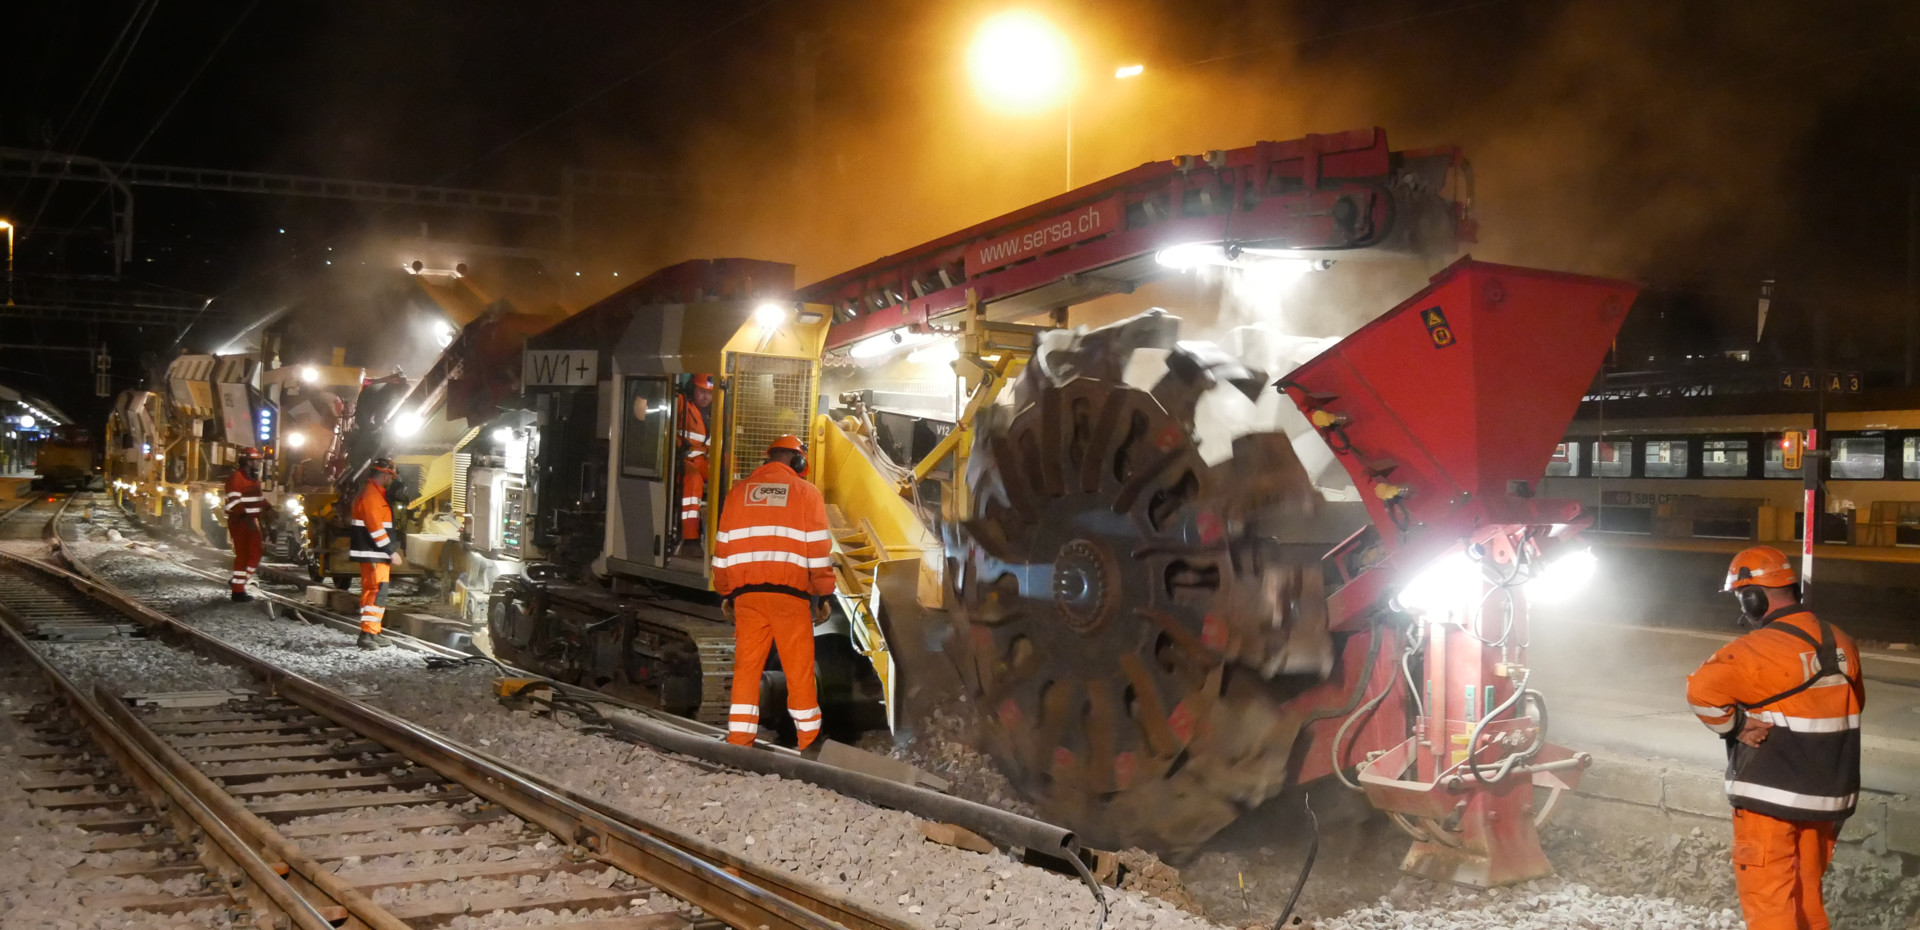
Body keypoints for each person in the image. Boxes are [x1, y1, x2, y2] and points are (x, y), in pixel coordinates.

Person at [1686, 545, 1864, 930]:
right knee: (1806, 898)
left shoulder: (1754, 651)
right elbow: (1852, 704)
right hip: (1828, 797)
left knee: (1770, 904)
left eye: (1740, 597)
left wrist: (1736, 726)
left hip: (1772, 797)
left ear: (1753, 597)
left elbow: (1700, 693)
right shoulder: (1843, 642)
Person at [710, 434, 834, 749]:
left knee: (747, 669)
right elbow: (819, 552)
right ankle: (809, 742)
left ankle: (739, 740)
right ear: (799, 462)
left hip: (747, 597)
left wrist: (726, 592)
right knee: (799, 670)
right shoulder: (807, 494)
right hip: (790, 598)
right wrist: (825, 594)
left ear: (768, 459)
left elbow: (722, 549)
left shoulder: (737, 494)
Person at [347, 458, 405, 649]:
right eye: (390, 475)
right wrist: (390, 551)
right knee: (377, 591)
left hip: (372, 552)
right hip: (374, 552)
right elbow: (376, 528)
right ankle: (367, 635)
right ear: (383, 474)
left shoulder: (374, 493)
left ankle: (373, 630)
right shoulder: (372, 495)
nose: (391, 479)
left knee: (372, 592)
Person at [223, 447, 274, 602]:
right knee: (244, 555)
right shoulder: (236, 478)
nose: (258, 463)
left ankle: (239, 582)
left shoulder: (254, 479)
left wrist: (269, 508)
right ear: (247, 461)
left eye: (259, 460)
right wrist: (247, 519)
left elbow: (257, 498)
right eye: (256, 461)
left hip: (251, 520)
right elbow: (234, 501)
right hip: (240, 521)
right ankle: (238, 592)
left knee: (256, 553)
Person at [676, 374, 715, 557]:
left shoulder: (719, 411)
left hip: (703, 459)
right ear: (693, 390)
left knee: (730, 468)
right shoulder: (682, 402)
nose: (706, 397)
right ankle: (690, 539)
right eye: (701, 391)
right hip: (681, 459)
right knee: (693, 480)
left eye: (709, 392)